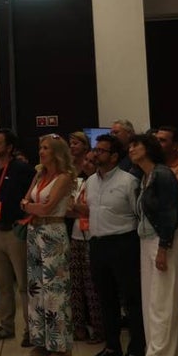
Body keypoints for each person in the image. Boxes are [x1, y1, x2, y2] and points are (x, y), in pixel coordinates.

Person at [79, 134, 144, 356]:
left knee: (131, 299)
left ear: (115, 156)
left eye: (102, 151)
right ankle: (112, 346)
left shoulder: (129, 181)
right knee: (105, 298)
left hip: (123, 243)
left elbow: (139, 214)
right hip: (98, 244)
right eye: (96, 150)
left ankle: (136, 350)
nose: (96, 154)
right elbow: (89, 210)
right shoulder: (90, 182)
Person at [129, 133, 178, 356]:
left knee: (161, 303)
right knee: (151, 302)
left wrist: (164, 247)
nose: (131, 150)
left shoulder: (162, 174)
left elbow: (170, 213)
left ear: (148, 148)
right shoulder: (145, 176)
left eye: (136, 145)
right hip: (147, 240)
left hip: (164, 242)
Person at [21, 134, 76, 356]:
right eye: (40, 147)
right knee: (36, 287)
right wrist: (32, 206)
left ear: (56, 152)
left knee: (55, 288)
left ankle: (60, 345)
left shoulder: (64, 177)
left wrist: (31, 206)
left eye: (46, 148)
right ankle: (41, 340)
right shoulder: (39, 174)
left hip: (53, 232)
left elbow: (48, 208)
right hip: (35, 232)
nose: (41, 152)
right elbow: (23, 202)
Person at [0, 128, 36, 344]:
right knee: (2, 283)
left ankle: (31, 330)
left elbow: (32, 195)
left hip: (16, 231)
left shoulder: (23, 169)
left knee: (23, 284)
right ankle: (6, 326)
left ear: (10, 147)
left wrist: (25, 218)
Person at [68, 146, 105, 344]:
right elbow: (72, 210)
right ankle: (79, 327)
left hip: (94, 236)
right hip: (76, 235)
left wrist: (75, 207)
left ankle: (99, 329)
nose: (87, 164)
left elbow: (91, 210)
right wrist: (76, 208)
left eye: (92, 161)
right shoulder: (81, 182)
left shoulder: (100, 183)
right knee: (76, 285)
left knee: (93, 287)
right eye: (86, 160)